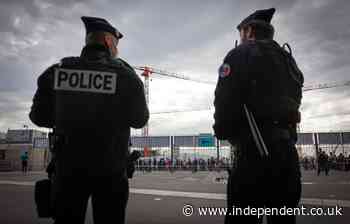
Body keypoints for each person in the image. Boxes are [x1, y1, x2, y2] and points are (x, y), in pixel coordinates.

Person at [29, 16, 149, 224]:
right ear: (108, 42)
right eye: (116, 44)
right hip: (111, 171)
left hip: (67, 170)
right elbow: (139, 120)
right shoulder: (126, 77)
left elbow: (38, 117)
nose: (117, 50)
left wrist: (68, 118)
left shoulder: (57, 72)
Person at [213, 8, 303, 224]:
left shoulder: (240, 54)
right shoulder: (289, 60)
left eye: (241, 33)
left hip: (252, 152)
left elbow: (224, 101)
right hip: (287, 155)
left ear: (249, 31)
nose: (240, 38)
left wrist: (225, 133)